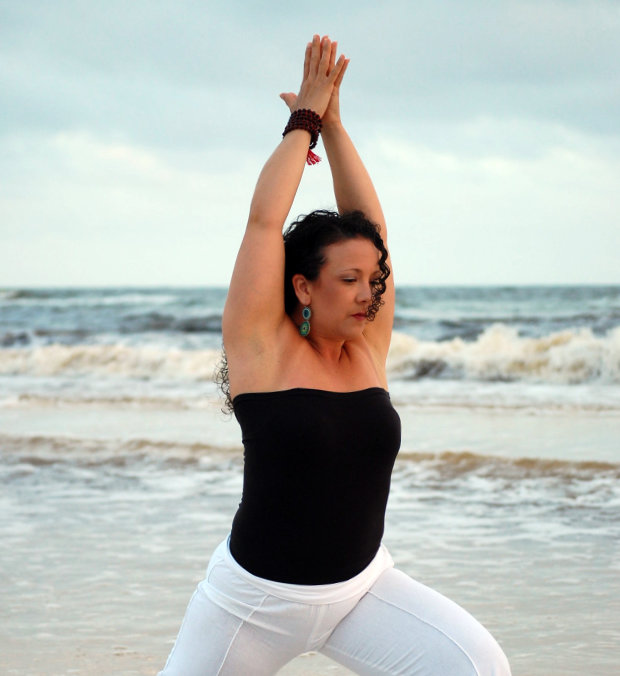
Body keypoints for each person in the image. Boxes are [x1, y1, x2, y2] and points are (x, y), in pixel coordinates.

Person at [158, 35, 511, 676]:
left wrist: (339, 128)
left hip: (362, 589)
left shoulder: (367, 347)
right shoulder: (260, 351)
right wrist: (305, 122)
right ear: (302, 285)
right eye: (347, 281)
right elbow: (265, 222)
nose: (367, 294)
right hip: (255, 605)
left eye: (372, 281)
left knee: (477, 666)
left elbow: (369, 221)